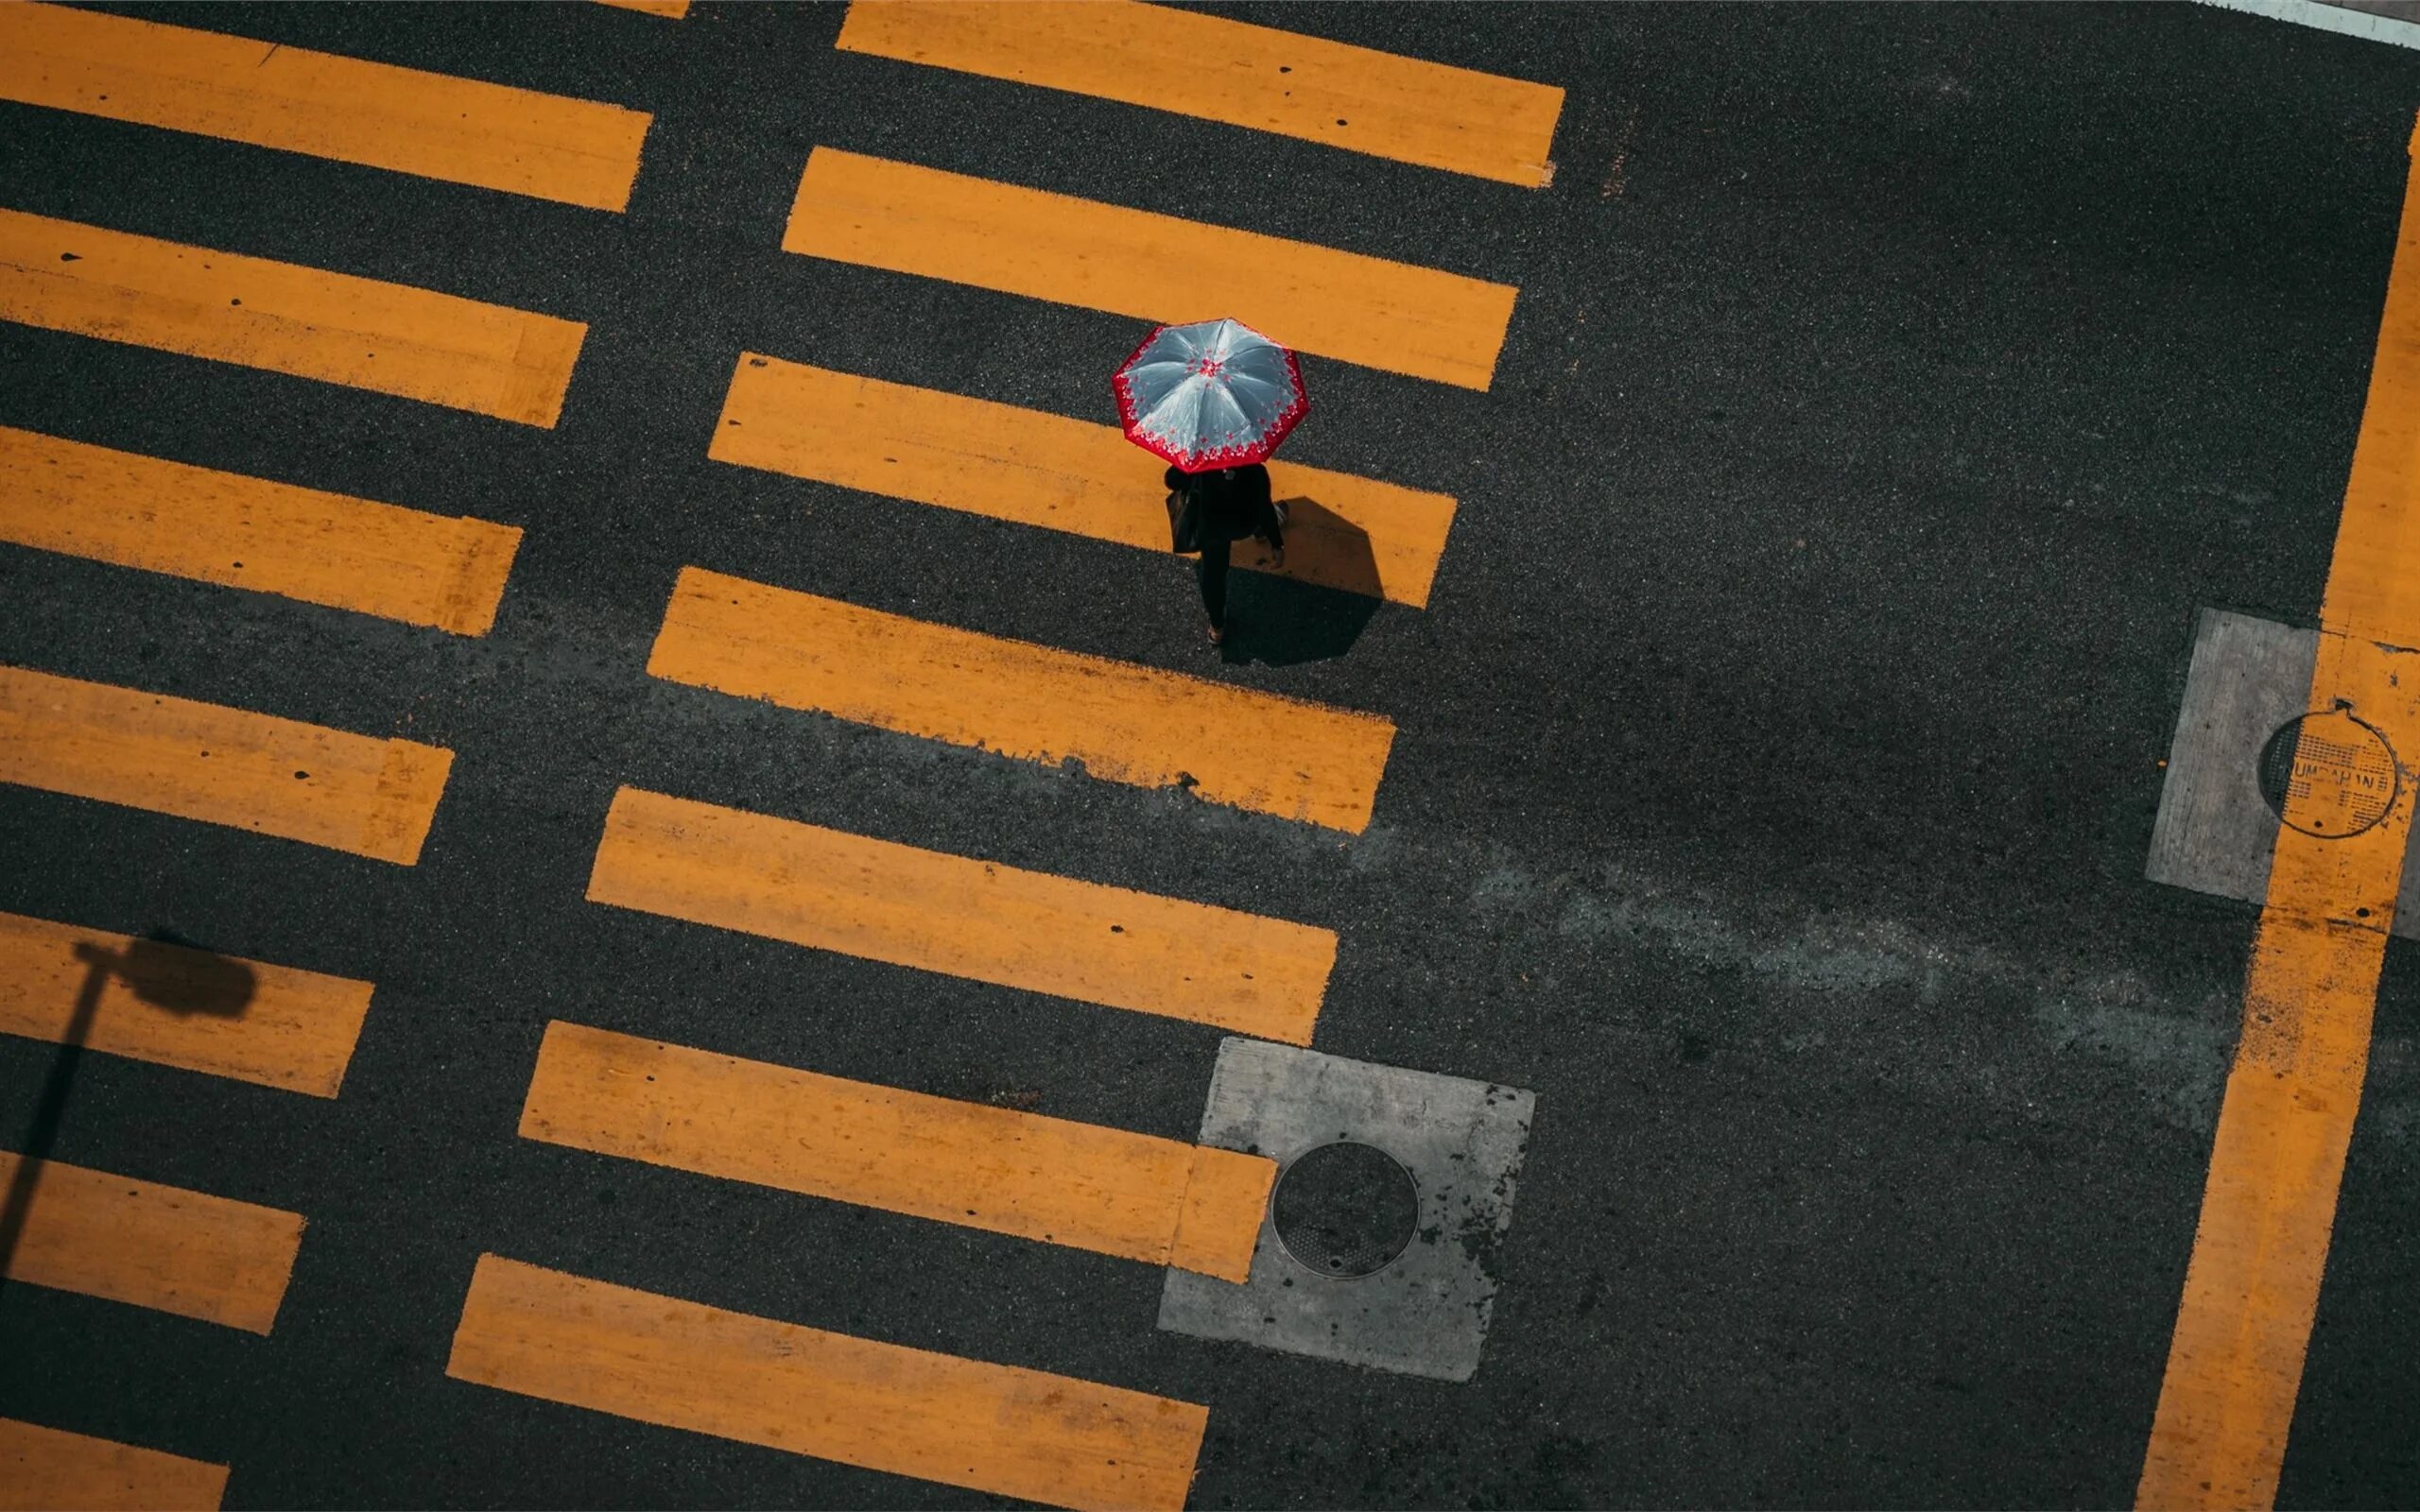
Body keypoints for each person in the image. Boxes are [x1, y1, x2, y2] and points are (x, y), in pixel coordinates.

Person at [1167, 462, 1286, 644]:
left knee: (1213, 575)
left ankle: (1217, 628)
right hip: (1243, 523)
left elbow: (1171, 480)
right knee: (1258, 511)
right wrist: (1277, 544)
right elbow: (1264, 507)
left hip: (1211, 529)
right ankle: (1261, 532)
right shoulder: (1255, 471)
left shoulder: (1198, 464)